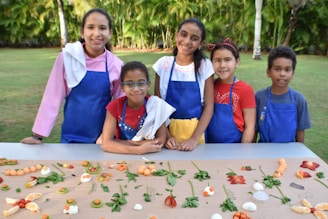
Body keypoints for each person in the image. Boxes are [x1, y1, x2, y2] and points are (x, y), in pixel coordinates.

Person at [20, 8, 124, 144]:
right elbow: (52, 97)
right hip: (71, 137)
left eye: (102, 28)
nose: (96, 33)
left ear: (110, 33)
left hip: (102, 139)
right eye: (90, 27)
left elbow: (122, 106)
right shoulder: (67, 58)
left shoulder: (116, 65)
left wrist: (108, 134)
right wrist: (37, 136)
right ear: (82, 32)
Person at [153, 18, 214, 151]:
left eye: (194, 38)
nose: (187, 41)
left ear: (200, 44)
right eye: (184, 34)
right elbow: (158, 106)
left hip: (197, 137)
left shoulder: (205, 66)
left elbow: (209, 107)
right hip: (167, 136)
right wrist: (167, 137)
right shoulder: (163, 65)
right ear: (176, 35)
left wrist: (194, 139)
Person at [101, 61, 175, 154]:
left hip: (151, 157)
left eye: (141, 83)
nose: (136, 89)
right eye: (129, 84)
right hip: (122, 157)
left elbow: (160, 141)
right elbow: (106, 144)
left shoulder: (156, 105)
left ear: (148, 85)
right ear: (122, 87)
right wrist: (138, 149)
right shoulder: (114, 106)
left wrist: (122, 143)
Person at [255, 46, 311, 143]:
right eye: (277, 69)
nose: (282, 74)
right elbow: (253, 130)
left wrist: (299, 155)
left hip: (289, 153)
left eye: (287, 70)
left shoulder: (299, 99)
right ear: (268, 72)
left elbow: (300, 131)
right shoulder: (259, 97)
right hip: (263, 152)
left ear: (293, 73)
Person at [206, 38, 256, 143]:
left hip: (235, 148)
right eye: (217, 60)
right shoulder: (209, 86)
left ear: (236, 62)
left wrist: (242, 153)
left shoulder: (245, 90)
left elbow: (250, 126)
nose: (222, 65)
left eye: (227, 60)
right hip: (209, 147)